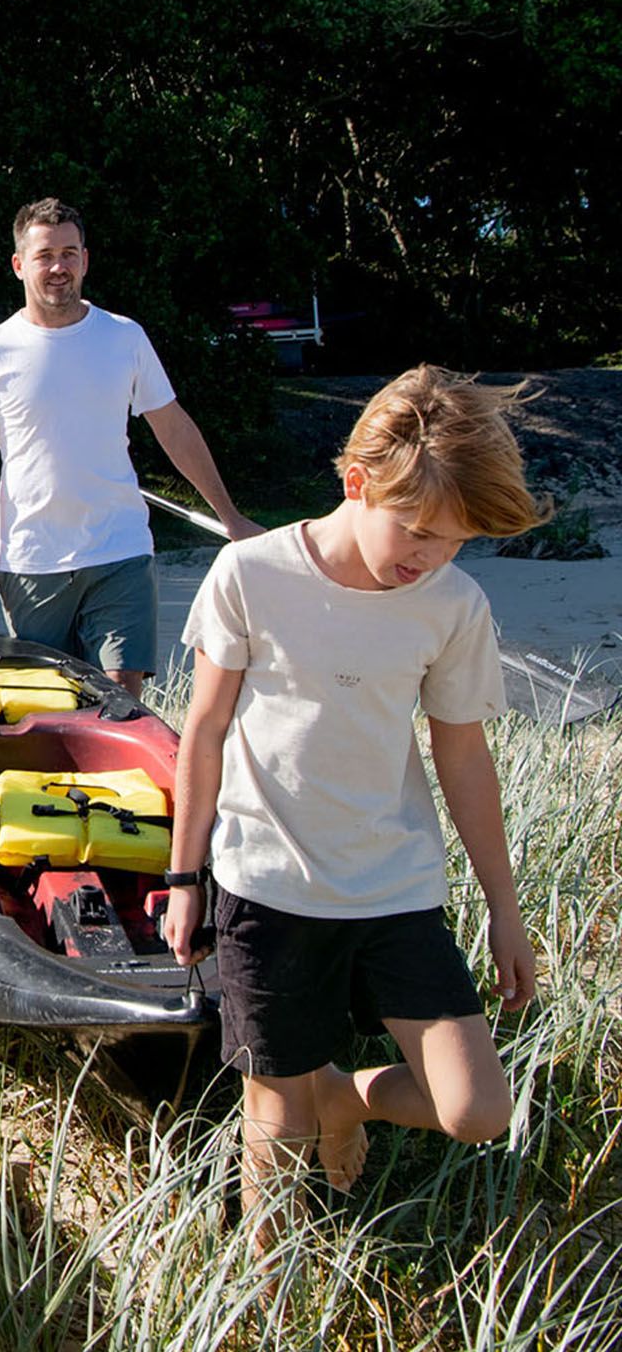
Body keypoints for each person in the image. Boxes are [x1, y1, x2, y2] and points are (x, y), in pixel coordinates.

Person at [163, 367, 548, 1236]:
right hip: (268, 885)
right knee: (279, 1130)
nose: (432, 556)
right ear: (357, 484)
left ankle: (348, 1094)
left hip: (395, 886)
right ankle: (266, 1300)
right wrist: (186, 877)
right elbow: (206, 733)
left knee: (477, 1108)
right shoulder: (250, 574)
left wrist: (503, 909)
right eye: (417, 531)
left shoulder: (451, 603)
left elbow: (463, 755)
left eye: (456, 542)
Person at [0, 196, 262, 694]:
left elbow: (174, 427)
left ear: (85, 260)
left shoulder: (124, 337)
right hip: (32, 559)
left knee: (119, 695)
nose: (58, 267)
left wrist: (230, 517)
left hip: (121, 550)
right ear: (19, 265)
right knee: (51, 704)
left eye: (70, 253)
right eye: (45, 255)